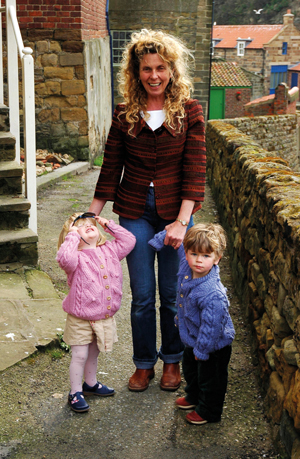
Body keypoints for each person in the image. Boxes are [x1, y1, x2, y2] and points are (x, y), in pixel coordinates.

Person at [89, 29, 206, 392]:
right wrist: (89, 216)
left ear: (171, 69)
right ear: (136, 73)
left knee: (172, 294)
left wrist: (182, 222)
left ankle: (172, 361)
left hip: (176, 213)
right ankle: (143, 364)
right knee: (142, 296)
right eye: (146, 69)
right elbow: (111, 167)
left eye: (160, 68)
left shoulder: (189, 111)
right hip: (134, 212)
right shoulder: (125, 113)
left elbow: (195, 169)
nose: (153, 75)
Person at [148, 223, 235, 425]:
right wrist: (160, 239)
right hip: (193, 340)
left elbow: (211, 327)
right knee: (191, 370)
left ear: (217, 258)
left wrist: (203, 350)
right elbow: (177, 242)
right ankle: (193, 396)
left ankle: (208, 411)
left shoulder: (212, 294)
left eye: (206, 256)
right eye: (194, 253)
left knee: (210, 379)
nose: (198, 260)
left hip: (213, 346)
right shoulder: (188, 265)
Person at [56, 212, 136, 412]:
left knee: (94, 352)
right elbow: (64, 259)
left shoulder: (110, 250)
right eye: (80, 226)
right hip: (80, 317)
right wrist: (72, 236)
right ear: (73, 235)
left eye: (90, 224)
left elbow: (129, 240)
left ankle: (90, 384)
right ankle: (74, 392)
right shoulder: (75, 258)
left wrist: (107, 224)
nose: (88, 226)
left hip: (102, 316)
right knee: (80, 355)